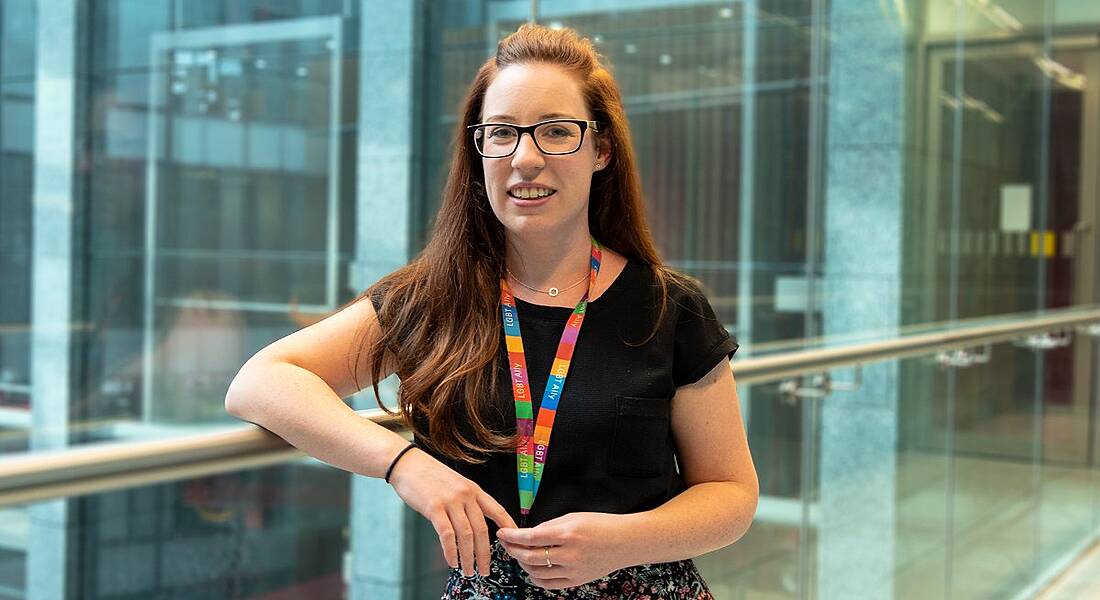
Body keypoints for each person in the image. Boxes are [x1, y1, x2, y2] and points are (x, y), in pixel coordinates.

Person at [226, 23, 757, 599]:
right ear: (478, 150)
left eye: (556, 132)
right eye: (501, 133)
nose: (525, 158)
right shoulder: (435, 300)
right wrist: (404, 465)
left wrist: (626, 540)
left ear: (601, 149)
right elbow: (259, 382)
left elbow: (731, 493)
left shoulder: (669, 308)